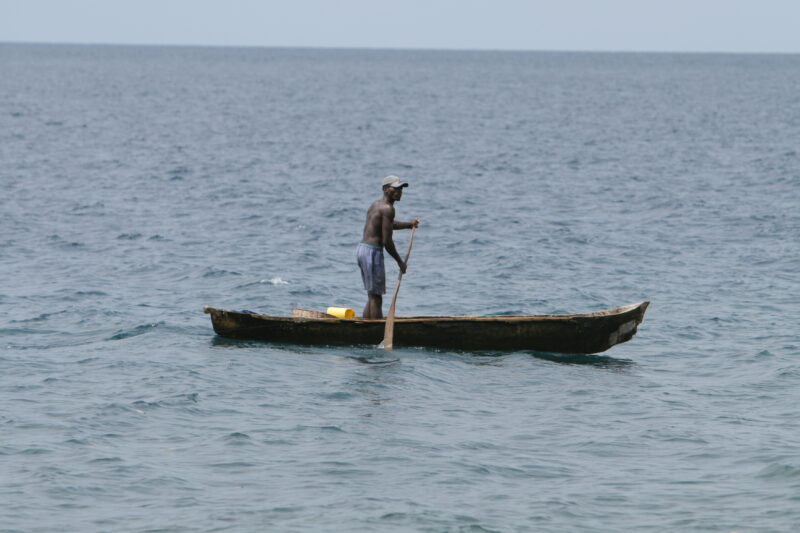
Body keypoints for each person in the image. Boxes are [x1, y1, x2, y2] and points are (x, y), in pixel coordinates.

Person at [357, 175, 420, 319]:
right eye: (395, 188)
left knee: (372, 295)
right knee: (376, 297)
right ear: (385, 189)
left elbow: (388, 224)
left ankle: (367, 326)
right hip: (372, 252)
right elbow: (387, 241)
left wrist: (408, 225)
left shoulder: (377, 205)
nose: (399, 191)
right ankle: (376, 330)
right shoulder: (388, 209)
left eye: (401, 189)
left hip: (363, 249)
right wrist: (400, 262)